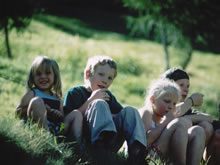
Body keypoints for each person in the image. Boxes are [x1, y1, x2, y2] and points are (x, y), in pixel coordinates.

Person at [63, 55, 147, 164]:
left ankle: (137, 153)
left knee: (131, 111)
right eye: (101, 74)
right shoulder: (75, 92)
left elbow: (120, 116)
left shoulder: (108, 96)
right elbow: (68, 120)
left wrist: (108, 115)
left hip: (111, 142)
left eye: (110, 78)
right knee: (99, 103)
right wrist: (92, 100)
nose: (105, 81)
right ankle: (100, 149)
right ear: (88, 74)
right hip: (87, 141)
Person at [139, 78, 206, 165]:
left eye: (174, 103)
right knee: (178, 124)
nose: (171, 106)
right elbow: (146, 140)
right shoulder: (147, 113)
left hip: (164, 153)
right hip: (149, 155)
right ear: (153, 100)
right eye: (167, 101)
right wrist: (165, 123)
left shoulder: (166, 116)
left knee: (198, 130)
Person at [16, 56, 82, 141]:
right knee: (37, 101)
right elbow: (18, 113)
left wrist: (57, 114)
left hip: (57, 130)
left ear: (55, 76)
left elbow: (62, 118)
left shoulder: (57, 98)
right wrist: (41, 107)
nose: (43, 76)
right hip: (38, 128)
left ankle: (77, 143)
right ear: (33, 76)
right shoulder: (32, 93)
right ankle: (47, 138)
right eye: (38, 74)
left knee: (76, 113)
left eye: (47, 73)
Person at [160, 67, 214, 161]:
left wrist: (188, 118)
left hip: (183, 146)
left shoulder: (186, 108)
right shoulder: (162, 103)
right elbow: (174, 113)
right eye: (181, 85)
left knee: (206, 126)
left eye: (188, 86)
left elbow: (209, 118)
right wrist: (191, 101)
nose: (186, 89)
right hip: (161, 148)